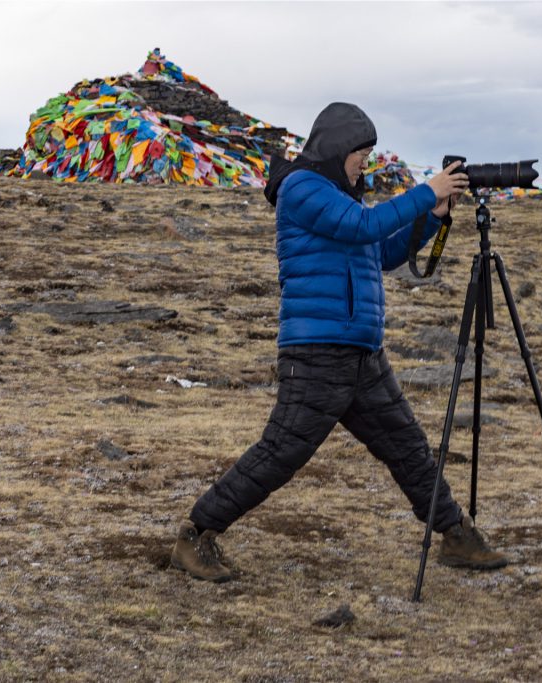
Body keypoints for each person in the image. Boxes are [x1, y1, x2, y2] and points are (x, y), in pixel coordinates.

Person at [170, 102, 509, 582]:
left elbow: (383, 251)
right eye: (360, 152)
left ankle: (455, 534)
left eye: (369, 154)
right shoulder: (302, 189)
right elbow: (365, 228)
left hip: (362, 355)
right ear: (336, 146)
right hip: (318, 353)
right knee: (281, 453)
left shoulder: (343, 199)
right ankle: (195, 534)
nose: (364, 163)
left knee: (408, 446)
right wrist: (424, 190)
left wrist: (433, 215)